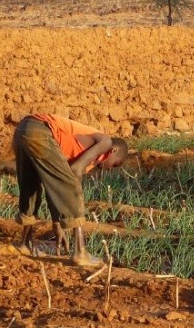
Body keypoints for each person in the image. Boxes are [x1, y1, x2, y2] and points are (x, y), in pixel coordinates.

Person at [13, 113, 129, 267]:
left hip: (23, 130)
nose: (109, 170)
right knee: (74, 188)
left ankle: (25, 244)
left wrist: (57, 223)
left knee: (31, 185)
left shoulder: (86, 156)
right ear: (113, 151)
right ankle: (80, 252)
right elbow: (75, 172)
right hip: (41, 130)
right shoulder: (106, 142)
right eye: (115, 165)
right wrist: (68, 213)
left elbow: (53, 183)